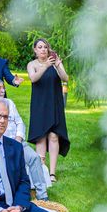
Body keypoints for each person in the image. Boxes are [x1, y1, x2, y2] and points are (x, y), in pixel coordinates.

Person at [0, 78, 49, 201]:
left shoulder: (9, 103)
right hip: (0, 144)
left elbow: (19, 122)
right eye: (0, 88)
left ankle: (42, 195)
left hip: (18, 141)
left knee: (34, 158)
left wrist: (18, 139)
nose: (3, 90)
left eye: (3, 87)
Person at [27, 38, 70, 182]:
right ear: (35, 50)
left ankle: (52, 173)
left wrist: (58, 65)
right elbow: (33, 78)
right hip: (39, 104)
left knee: (53, 136)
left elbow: (65, 78)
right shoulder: (32, 64)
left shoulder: (54, 62)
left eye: (45, 47)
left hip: (54, 103)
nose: (43, 50)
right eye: (40, 47)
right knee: (41, 136)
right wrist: (45, 66)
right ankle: (41, 171)